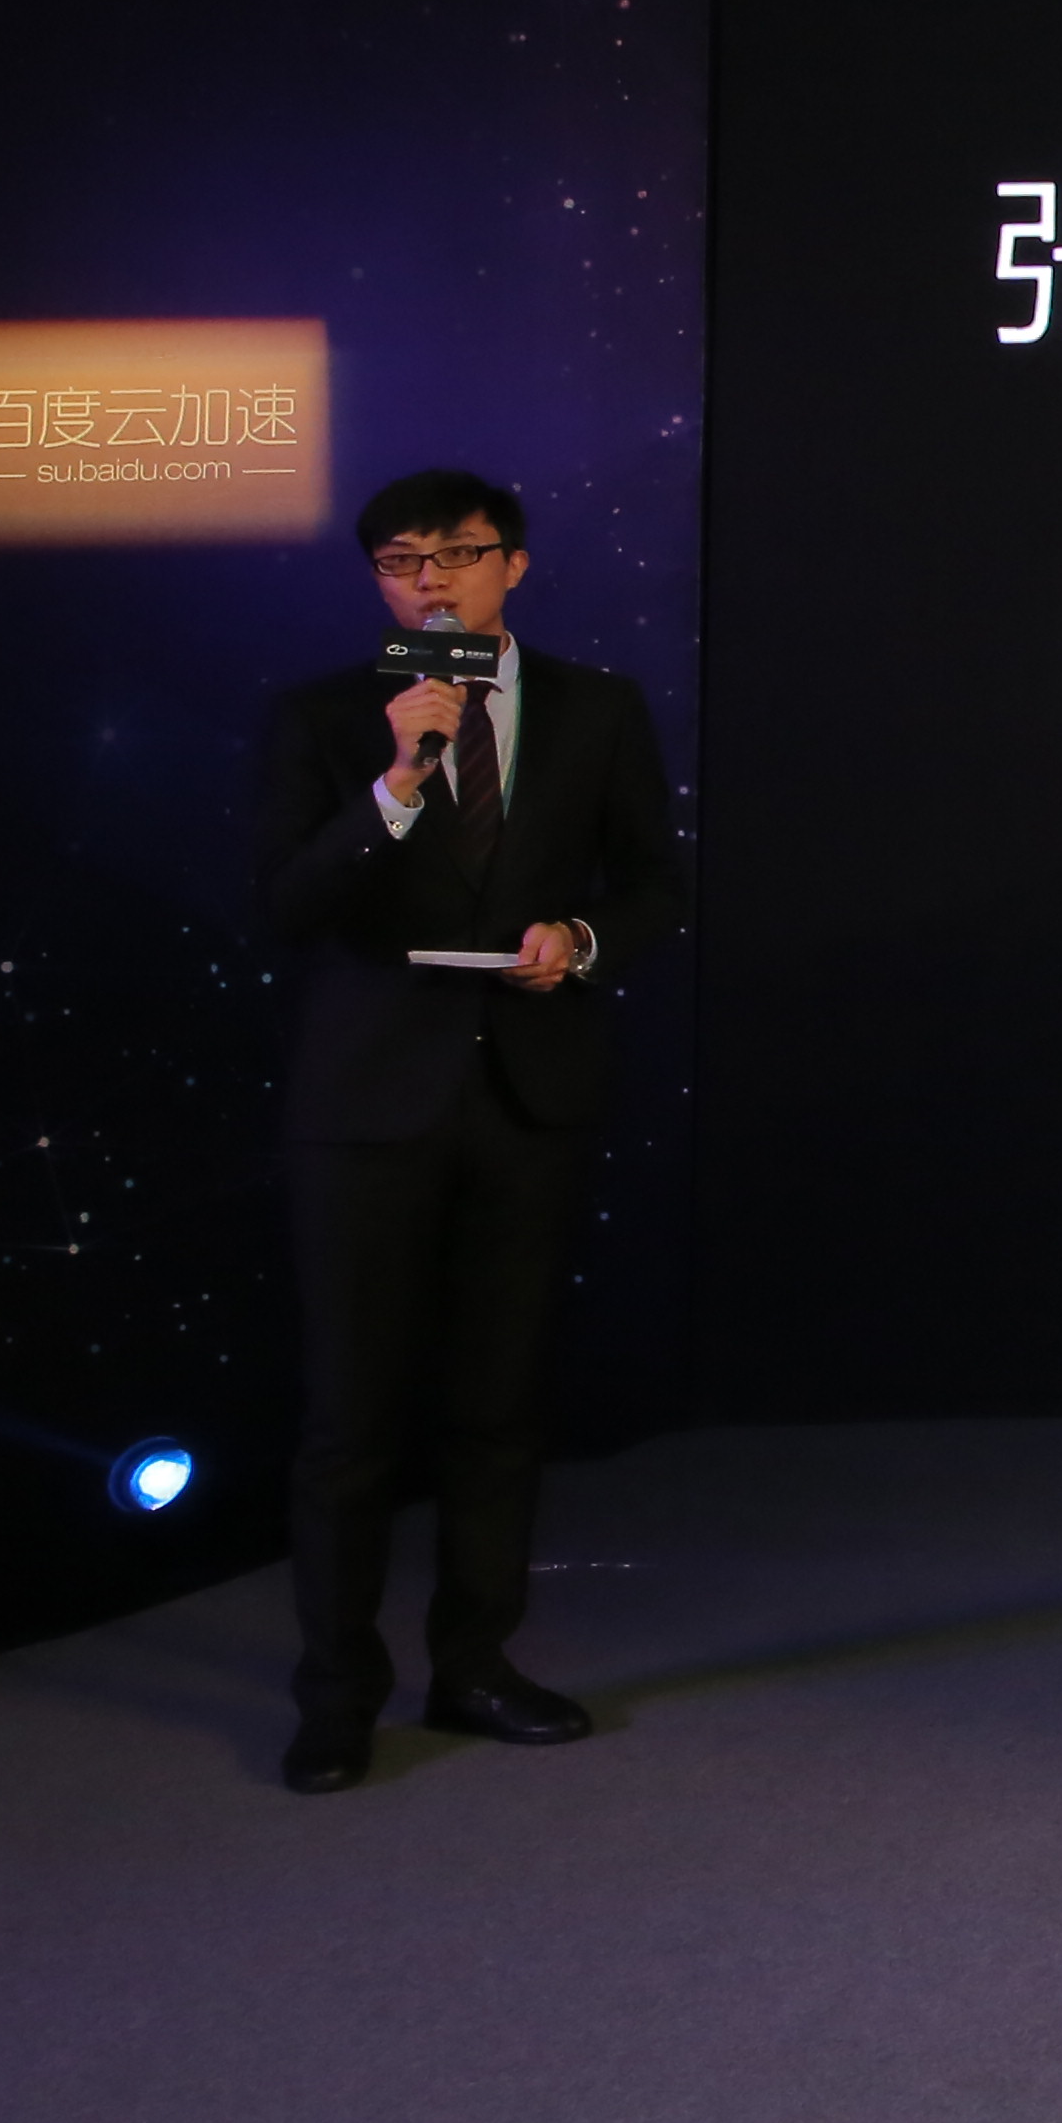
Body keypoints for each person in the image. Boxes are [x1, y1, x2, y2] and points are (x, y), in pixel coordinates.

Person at [250, 467, 685, 1798]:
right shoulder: (328, 715)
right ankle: (336, 1696)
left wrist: (583, 941)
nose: (429, 581)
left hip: (525, 1092)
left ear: (515, 565)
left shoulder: (597, 707)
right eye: (401, 562)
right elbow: (285, 904)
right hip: (367, 1104)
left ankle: (475, 1665)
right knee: (351, 1416)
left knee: (497, 1405)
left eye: (455, 554)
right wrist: (397, 780)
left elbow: (654, 882)